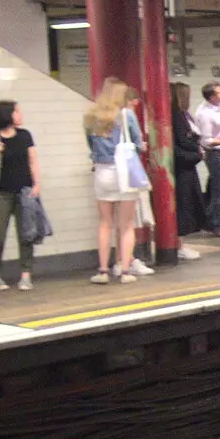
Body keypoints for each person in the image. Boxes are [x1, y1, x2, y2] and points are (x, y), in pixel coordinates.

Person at [84, 77, 150, 284]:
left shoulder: (91, 116)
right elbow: (137, 142)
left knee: (105, 223)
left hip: (102, 173)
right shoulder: (126, 114)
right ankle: (125, 272)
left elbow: (90, 145)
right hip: (124, 173)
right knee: (127, 225)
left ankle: (103, 271)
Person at [0, 99, 40, 291]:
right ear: (8, 115)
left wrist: (37, 183)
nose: (20, 115)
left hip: (24, 191)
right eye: (17, 112)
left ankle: (26, 275)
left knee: (26, 233)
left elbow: (32, 161)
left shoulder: (25, 135)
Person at [192, 82, 220, 237]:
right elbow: (206, 140)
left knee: (215, 188)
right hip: (214, 153)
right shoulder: (204, 113)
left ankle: (210, 219)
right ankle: (217, 224)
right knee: (219, 190)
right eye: (219, 93)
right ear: (211, 96)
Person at [170, 83, 205, 259]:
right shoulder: (178, 117)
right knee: (183, 206)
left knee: (185, 204)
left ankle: (180, 244)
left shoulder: (183, 115)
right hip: (183, 168)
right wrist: (197, 153)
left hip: (186, 166)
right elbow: (184, 141)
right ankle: (178, 245)